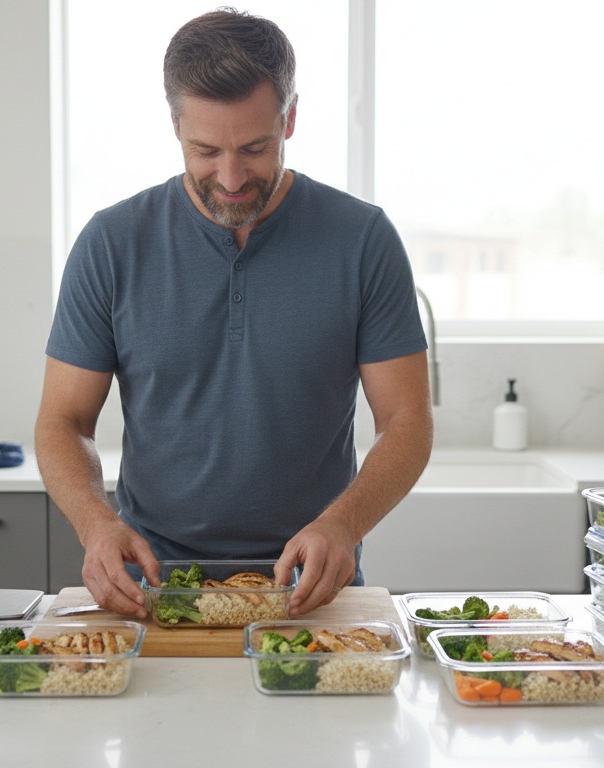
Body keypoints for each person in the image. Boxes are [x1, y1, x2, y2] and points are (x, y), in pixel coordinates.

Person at [35, 8, 432, 620]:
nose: (230, 178)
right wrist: (95, 526)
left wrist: (343, 525)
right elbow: (63, 421)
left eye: (254, 148)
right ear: (174, 125)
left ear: (291, 118)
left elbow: (406, 422)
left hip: (311, 588)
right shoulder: (112, 243)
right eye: (205, 150)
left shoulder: (362, 240)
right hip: (152, 587)